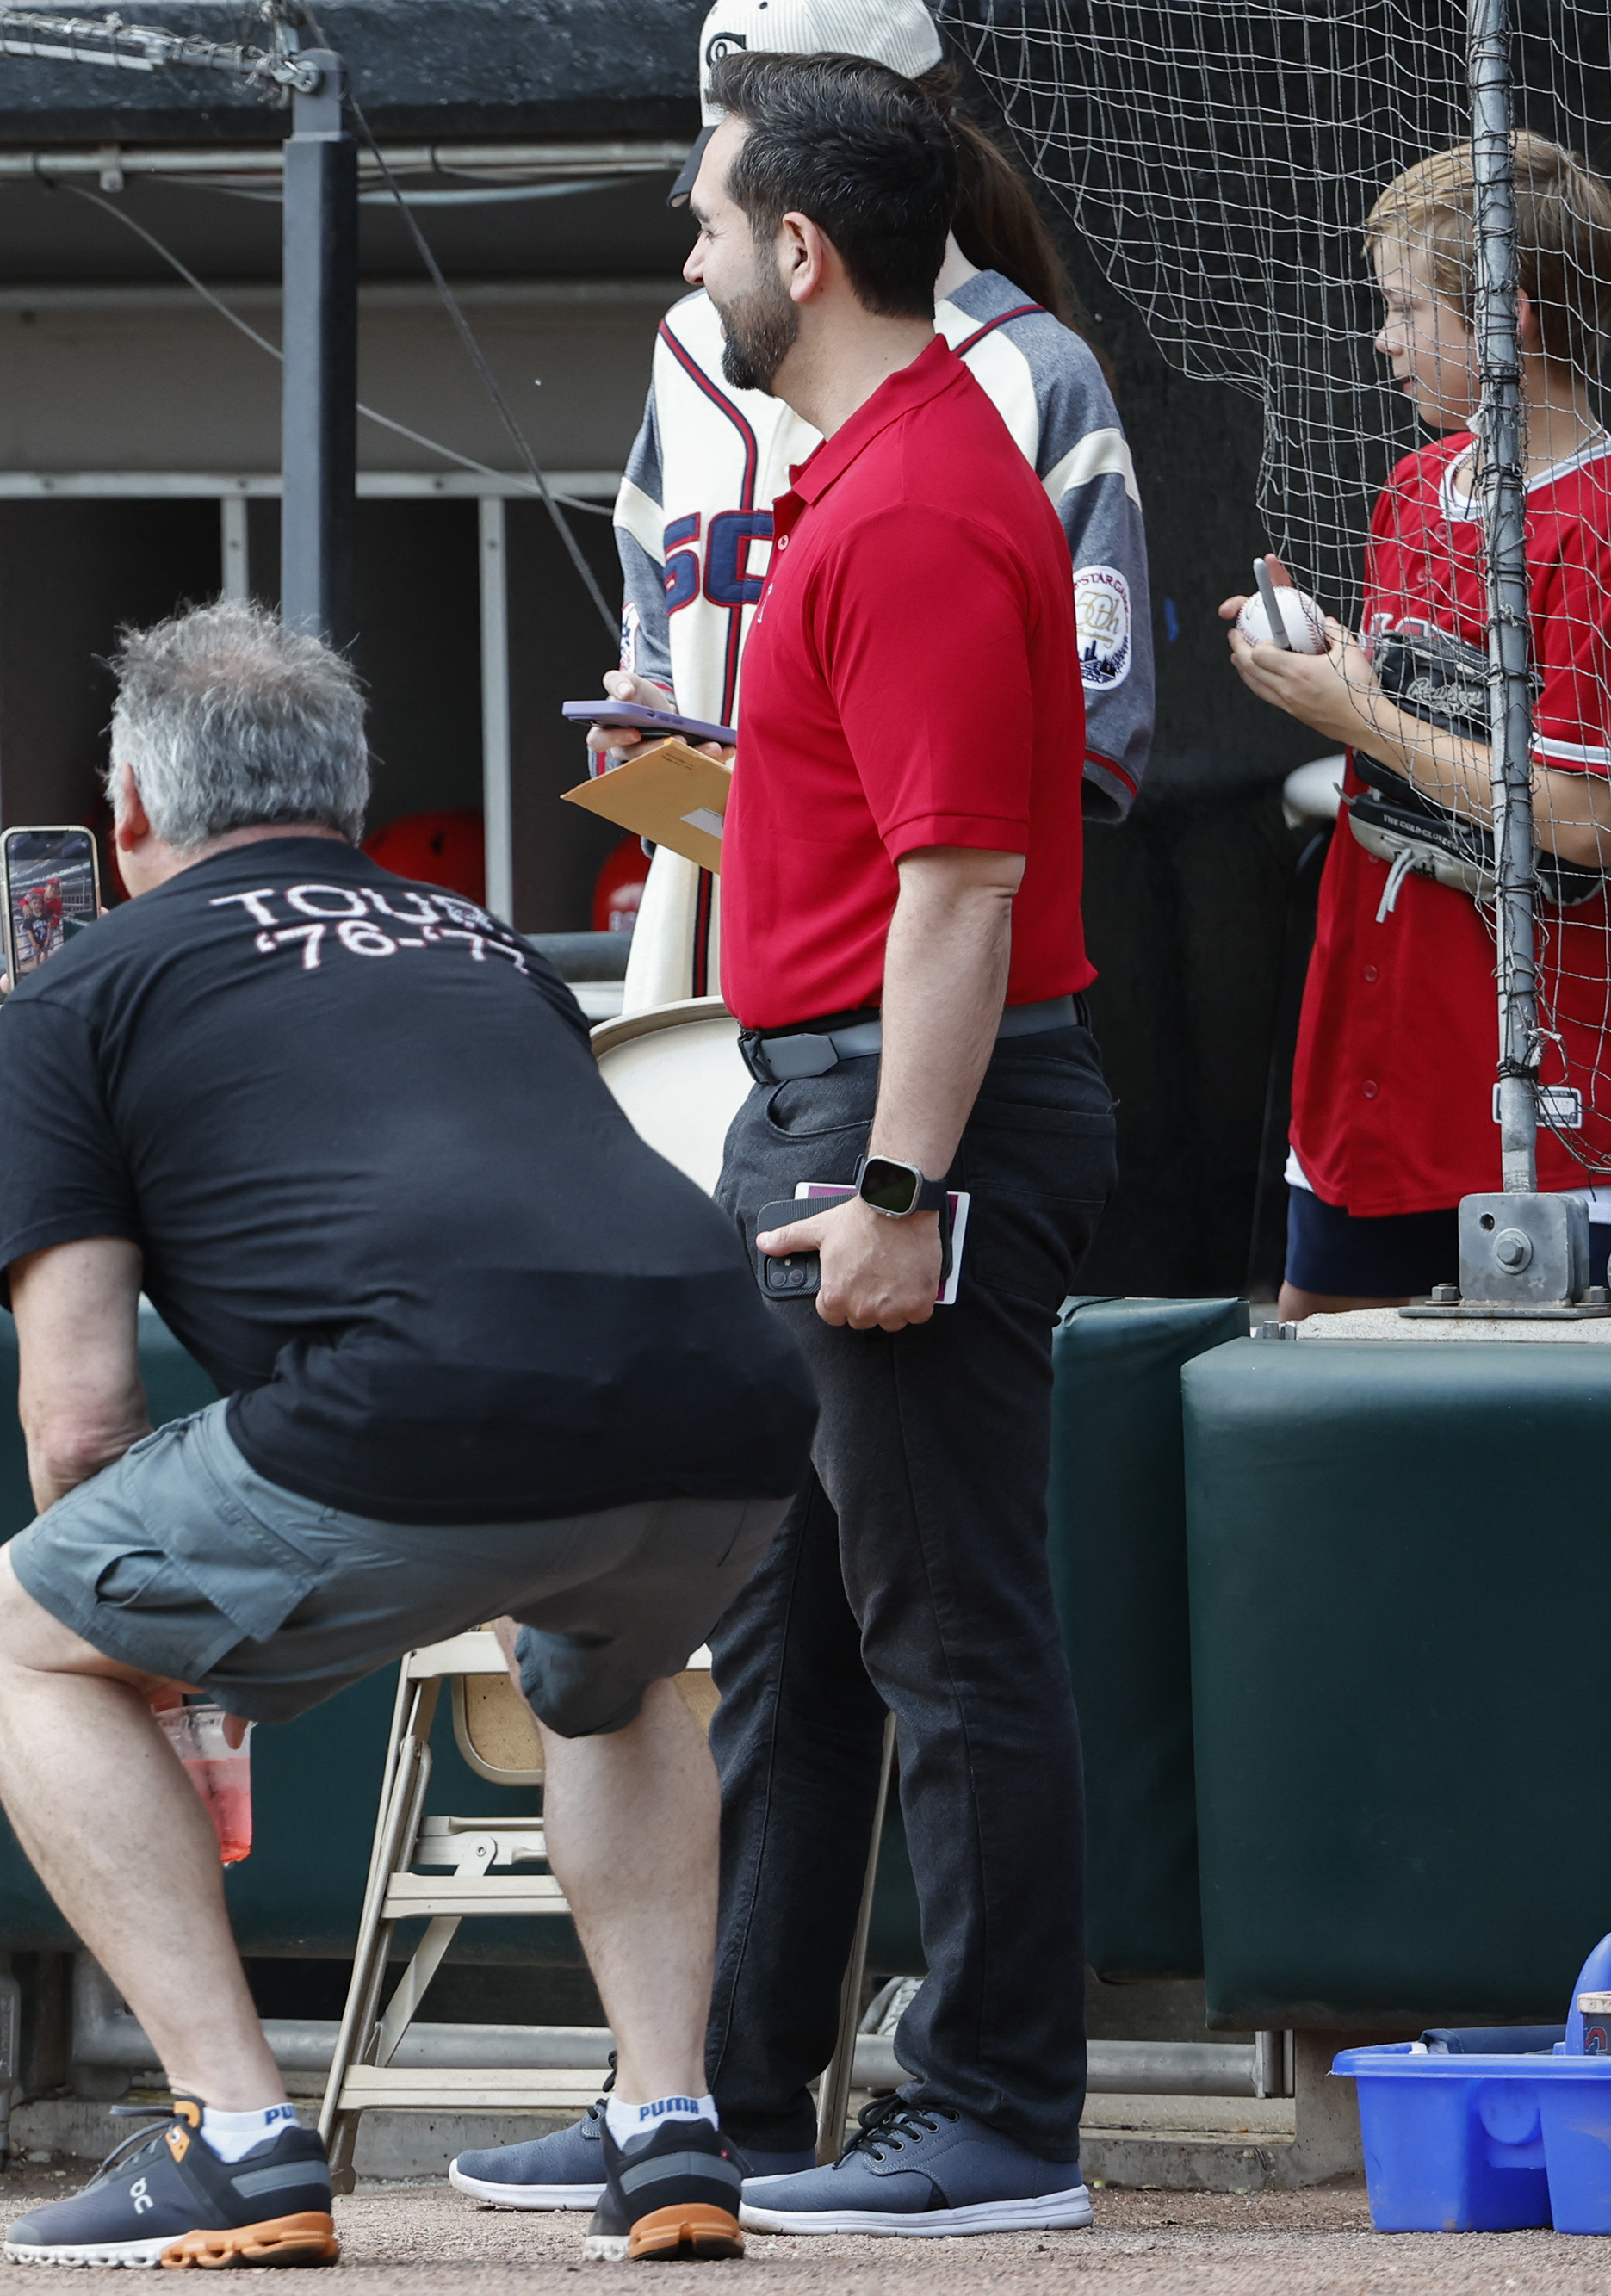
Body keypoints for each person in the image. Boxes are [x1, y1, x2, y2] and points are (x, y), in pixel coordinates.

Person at [0, 600, 819, 2269]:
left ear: (127, 812)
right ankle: (667, 2125)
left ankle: (237, 2133)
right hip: (732, 1390)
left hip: (435, 1397)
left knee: (14, 1628)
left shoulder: (80, 988)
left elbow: (73, 1408)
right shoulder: (472, 935)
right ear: (345, 802)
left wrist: (138, 1641)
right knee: (604, 1665)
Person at [666, 53, 1114, 2235]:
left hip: (910, 1107)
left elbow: (963, 890)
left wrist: (903, 1193)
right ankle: (734, 2102)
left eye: (706, 214)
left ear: (798, 251)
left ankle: (1000, 2114)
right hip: (841, 1089)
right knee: (798, 1637)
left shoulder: (928, 493)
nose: (689, 250)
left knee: (950, 1630)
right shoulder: (879, 471)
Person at [592, 0, 1154, 833]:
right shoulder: (688, 344)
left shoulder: (1030, 371)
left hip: (894, 930)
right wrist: (647, 728)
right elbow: (662, 656)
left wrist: (808, 807)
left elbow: (1082, 737)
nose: (698, 260)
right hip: (702, 934)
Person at [1226, 133, 1611, 1318]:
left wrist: (1362, 717)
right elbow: (1406, 711)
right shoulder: (1415, 485)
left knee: (1512, 1432)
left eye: (1408, 308)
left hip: (1530, 1075)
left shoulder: (1591, 525)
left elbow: (1583, 818)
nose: (1384, 340)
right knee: (1318, 1370)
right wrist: (1331, 670)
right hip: (1371, 1042)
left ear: (1514, 318)